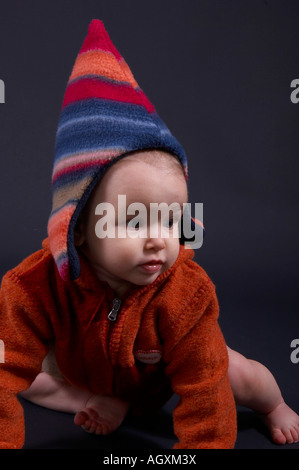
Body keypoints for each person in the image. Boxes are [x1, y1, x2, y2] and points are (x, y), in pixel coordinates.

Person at [0, 19, 298, 449]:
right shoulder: (35, 287)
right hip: (80, 371)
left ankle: (275, 404)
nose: (159, 239)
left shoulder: (185, 294)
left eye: (170, 219)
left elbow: (206, 395)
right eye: (135, 221)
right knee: (24, 374)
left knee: (234, 374)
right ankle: (97, 401)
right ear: (78, 227)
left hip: (164, 375)